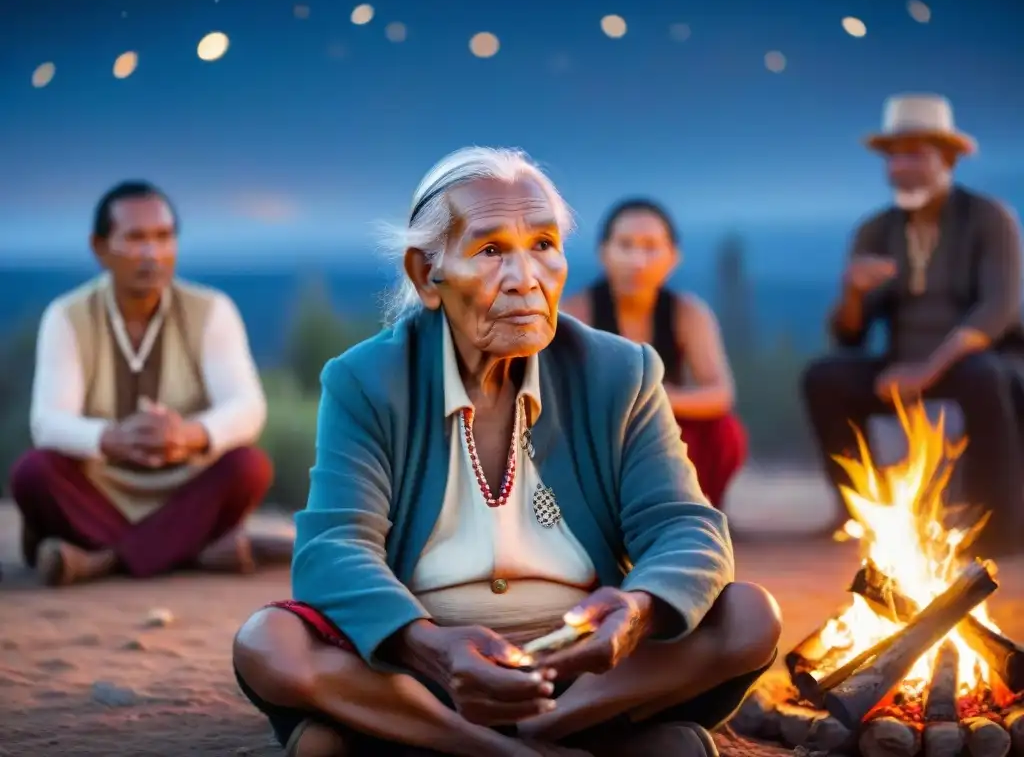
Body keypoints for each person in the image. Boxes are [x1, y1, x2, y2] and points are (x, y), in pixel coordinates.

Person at [232, 148, 781, 757]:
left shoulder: (620, 371)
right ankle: (507, 746)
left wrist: (639, 610)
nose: (527, 277)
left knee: (750, 616)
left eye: (543, 244)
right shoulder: (366, 380)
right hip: (424, 674)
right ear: (425, 275)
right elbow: (334, 547)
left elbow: (685, 527)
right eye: (491, 251)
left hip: (586, 675)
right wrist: (429, 647)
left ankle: (525, 733)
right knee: (269, 643)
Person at [8, 181, 285, 587]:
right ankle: (193, 549)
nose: (152, 253)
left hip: (184, 487)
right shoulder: (67, 316)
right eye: (135, 238)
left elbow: (247, 407)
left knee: (249, 467)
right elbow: (47, 422)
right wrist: (111, 438)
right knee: (33, 473)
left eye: (163, 237)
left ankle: (99, 560)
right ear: (100, 247)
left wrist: (189, 435)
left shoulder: (211, 310)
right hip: (100, 484)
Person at [802, 94, 1024, 555]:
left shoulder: (989, 219)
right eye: (894, 156)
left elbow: (997, 310)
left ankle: (998, 526)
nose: (901, 167)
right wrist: (854, 292)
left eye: (915, 154)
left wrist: (928, 369)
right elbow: (849, 335)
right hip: (901, 362)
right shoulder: (877, 229)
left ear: (947, 157)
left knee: (985, 377)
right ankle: (862, 511)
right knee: (824, 378)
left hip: (978, 361)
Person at [562, 200, 746, 509]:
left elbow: (720, 394)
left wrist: (654, 397)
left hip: (665, 425)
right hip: (600, 432)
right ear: (604, 253)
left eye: (650, 247)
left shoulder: (688, 314)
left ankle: (698, 511)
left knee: (724, 433)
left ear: (673, 257)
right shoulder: (575, 312)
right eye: (625, 245)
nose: (638, 260)